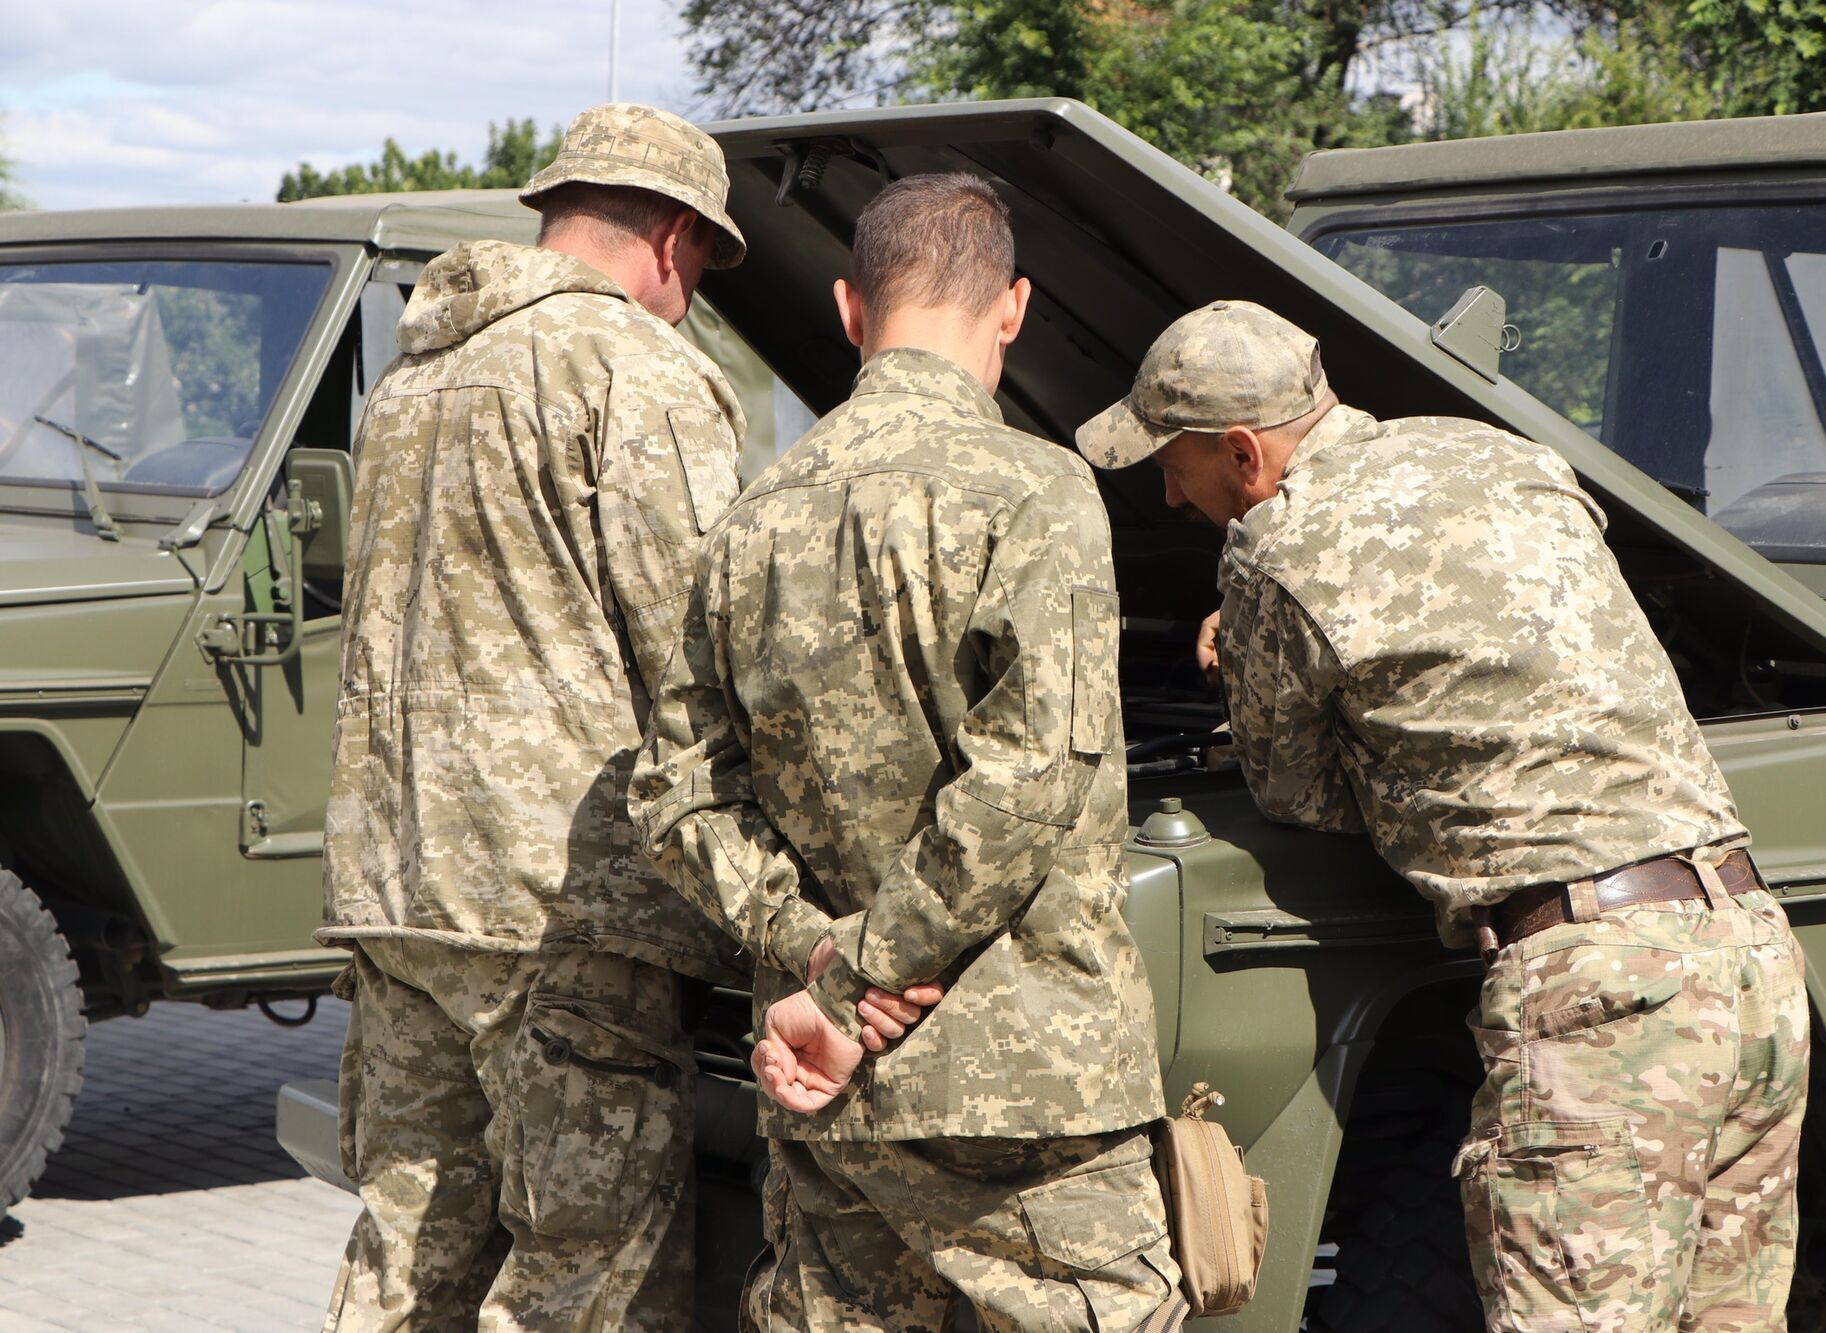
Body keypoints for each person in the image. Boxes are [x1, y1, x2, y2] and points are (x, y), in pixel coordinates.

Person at [1076, 300, 1811, 1332]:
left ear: (1243, 452)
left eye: (1171, 463)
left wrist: (1236, 653)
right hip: (1749, 957)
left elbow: (1297, 797)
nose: (1163, 491)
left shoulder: (1276, 550)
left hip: (1595, 991)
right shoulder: (1501, 453)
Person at [629, 173, 1182, 1332]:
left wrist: (815, 963)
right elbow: (1030, 777)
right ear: (1015, 307)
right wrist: (865, 974)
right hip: (1020, 1081)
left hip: (824, 1087)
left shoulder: (752, 516)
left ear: (844, 308)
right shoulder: (1036, 488)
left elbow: (678, 797)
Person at [316, 103, 755, 1331]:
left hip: (397, 890)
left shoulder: (414, 373)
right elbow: (702, 646)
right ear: (673, 238)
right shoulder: (636, 368)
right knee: (585, 1272)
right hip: (556, 906)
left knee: (407, 1255)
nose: (694, 297)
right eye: (703, 270)